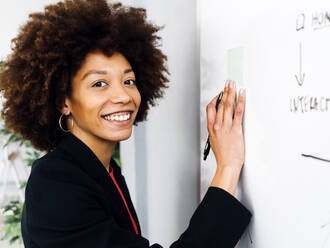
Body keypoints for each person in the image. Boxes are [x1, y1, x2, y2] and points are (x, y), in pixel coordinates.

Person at [0, 0, 251, 247]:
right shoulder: (56, 184)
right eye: (99, 84)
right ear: (63, 102)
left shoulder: (102, 169)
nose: (123, 96)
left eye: (129, 81)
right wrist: (228, 167)